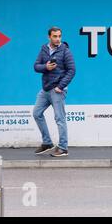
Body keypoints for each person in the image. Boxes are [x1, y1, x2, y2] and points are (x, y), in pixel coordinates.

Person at [33, 27, 76, 157]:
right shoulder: (44, 49)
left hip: (57, 90)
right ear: (49, 37)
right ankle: (47, 143)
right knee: (37, 113)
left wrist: (61, 86)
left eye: (59, 36)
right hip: (45, 89)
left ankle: (63, 148)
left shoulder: (65, 51)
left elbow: (72, 70)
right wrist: (45, 67)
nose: (58, 39)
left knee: (60, 119)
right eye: (55, 36)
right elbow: (36, 66)